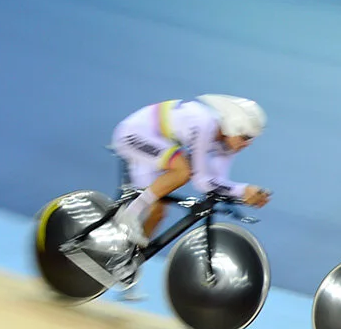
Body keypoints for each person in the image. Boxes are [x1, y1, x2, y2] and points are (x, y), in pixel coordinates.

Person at [104, 95, 271, 270]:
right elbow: (202, 181)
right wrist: (242, 190)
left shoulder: (226, 146)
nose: (247, 144)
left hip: (158, 144)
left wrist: (244, 195)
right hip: (134, 134)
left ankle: (124, 262)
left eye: (251, 139)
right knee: (183, 171)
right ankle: (128, 214)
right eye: (245, 137)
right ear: (233, 126)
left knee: (157, 212)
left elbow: (217, 183)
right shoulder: (204, 124)